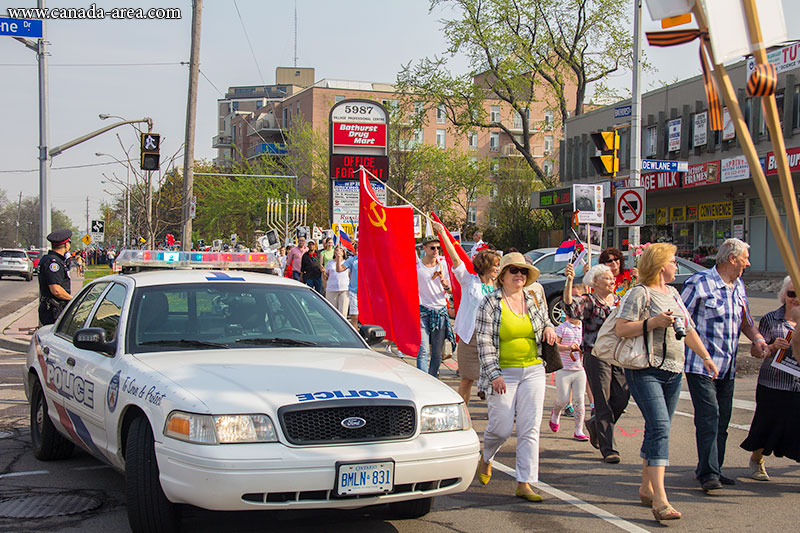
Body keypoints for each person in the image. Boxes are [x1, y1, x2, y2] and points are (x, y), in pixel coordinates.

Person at [616, 243, 717, 522]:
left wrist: (706, 357)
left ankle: (646, 486)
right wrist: (653, 322)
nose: (677, 265)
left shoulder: (673, 293)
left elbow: (689, 329)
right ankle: (660, 499)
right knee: (660, 425)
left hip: (674, 370)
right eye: (674, 261)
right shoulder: (640, 293)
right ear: (661, 266)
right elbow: (621, 328)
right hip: (645, 368)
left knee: (658, 427)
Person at [681, 238, 769, 492]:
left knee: (722, 421)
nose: (748, 263)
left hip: (728, 366)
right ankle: (708, 474)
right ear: (731, 259)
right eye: (745, 258)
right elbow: (681, 320)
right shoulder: (699, 283)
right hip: (701, 365)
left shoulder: (738, 285)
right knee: (709, 417)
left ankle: (714, 468)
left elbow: (746, 320)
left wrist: (758, 339)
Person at [475, 252, 556, 502]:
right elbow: (484, 341)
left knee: (529, 428)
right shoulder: (490, 302)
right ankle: (487, 457)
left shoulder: (532, 298)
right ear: (503, 276)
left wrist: (550, 327)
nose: (519, 275)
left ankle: (525, 482)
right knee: (500, 428)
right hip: (502, 373)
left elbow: (543, 322)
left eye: (523, 271)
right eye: (513, 271)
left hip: (533, 369)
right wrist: (494, 374)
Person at [564, 261, 628, 463]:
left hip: (618, 354)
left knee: (622, 396)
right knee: (603, 400)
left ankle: (595, 425)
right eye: (607, 278)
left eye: (612, 278)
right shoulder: (589, 301)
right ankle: (609, 448)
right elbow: (571, 307)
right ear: (595, 282)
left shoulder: (619, 300)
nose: (611, 281)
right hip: (596, 353)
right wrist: (569, 281)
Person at [433, 221, 500, 405]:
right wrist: (443, 234)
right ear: (485, 265)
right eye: (495, 265)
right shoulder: (469, 281)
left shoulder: (499, 287)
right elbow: (456, 260)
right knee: (467, 379)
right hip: (470, 338)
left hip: (491, 341)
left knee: (494, 379)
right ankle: (463, 412)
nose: (497, 268)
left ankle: (496, 413)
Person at [740, 276, 800, 480]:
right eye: (791, 294)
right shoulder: (770, 319)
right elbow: (756, 352)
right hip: (774, 383)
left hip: (798, 385)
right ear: (784, 295)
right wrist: (773, 347)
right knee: (767, 424)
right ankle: (757, 460)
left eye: (799, 294)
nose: (795, 299)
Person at [416, 234, 454, 378]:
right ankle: (422, 380)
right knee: (424, 349)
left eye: (438, 248)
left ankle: (433, 379)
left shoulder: (443, 265)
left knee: (437, 352)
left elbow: (451, 290)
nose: (436, 250)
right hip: (423, 311)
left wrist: (447, 286)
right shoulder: (418, 267)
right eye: (432, 247)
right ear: (424, 248)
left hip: (440, 312)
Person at [549, 313, 589, 441]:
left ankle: (579, 430)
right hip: (564, 369)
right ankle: (555, 413)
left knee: (580, 400)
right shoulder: (562, 328)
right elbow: (555, 345)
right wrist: (568, 347)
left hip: (580, 370)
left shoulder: (585, 327)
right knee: (563, 399)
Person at [38, 229, 74, 326]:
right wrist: (73, 300)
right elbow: (56, 290)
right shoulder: (53, 263)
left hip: (53, 308)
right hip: (54, 309)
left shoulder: (49, 259)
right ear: (66, 245)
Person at [323, 245, 349, 316]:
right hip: (332, 290)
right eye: (336, 251)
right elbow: (326, 276)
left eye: (339, 251)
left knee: (343, 313)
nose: (337, 253)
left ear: (343, 253)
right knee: (332, 313)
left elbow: (349, 276)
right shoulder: (330, 263)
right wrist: (323, 273)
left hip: (344, 290)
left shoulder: (347, 262)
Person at [337, 243, 359, 327]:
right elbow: (339, 269)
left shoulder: (369, 259)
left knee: (367, 318)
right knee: (354, 317)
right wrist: (339, 257)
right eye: (356, 249)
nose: (357, 251)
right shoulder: (352, 260)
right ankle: (356, 337)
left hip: (366, 293)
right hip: (354, 292)